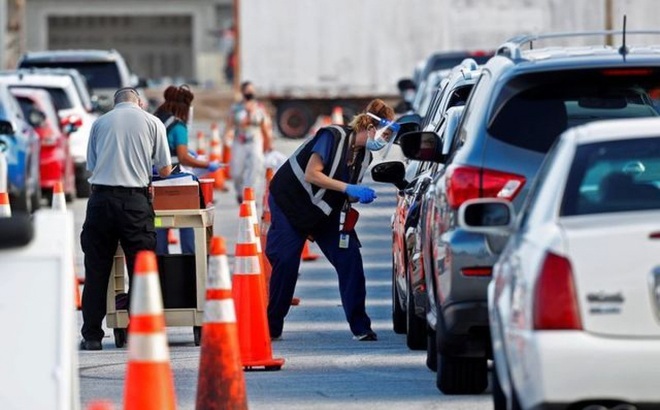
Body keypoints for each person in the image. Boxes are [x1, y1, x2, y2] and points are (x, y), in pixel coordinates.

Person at [266, 98, 398, 341]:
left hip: (324, 210)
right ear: (370, 127)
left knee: (351, 262)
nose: (385, 140)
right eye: (385, 133)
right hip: (291, 202)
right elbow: (312, 174)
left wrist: (357, 196)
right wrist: (349, 188)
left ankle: (361, 327)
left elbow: (345, 190)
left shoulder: (364, 157)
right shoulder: (332, 136)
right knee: (286, 262)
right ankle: (272, 326)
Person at [79, 87, 172, 351]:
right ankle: (138, 331)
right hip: (135, 203)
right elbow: (165, 170)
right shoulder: (153, 122)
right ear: (139, 102)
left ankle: (92, 336)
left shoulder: (99, 123)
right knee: (141, 270)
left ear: (115, 103)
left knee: (96, 270)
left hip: (100, 202)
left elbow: (93, 166)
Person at [152, 85, 221, 254]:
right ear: (184, 107)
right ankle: (189, 262)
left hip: (151, 181)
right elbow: (183, 158)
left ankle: (160, 268)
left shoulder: (155, 119)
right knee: (187, 220)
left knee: (159, 224)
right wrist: (207, 165)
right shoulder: (178, 126)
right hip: (172, 182)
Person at [223, 81, 274, 203]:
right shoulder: (236, 108)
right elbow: (230, 125)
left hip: (255, 140)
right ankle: (240, 192)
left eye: (252, 90)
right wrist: (226, 138)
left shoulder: (259, 108)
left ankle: (250, 195)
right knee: (236, 172)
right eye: (248, 90)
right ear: (243, 92)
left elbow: (265, 126)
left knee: (256, 168)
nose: (250, 93)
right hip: (240, 141)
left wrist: (269, 143)